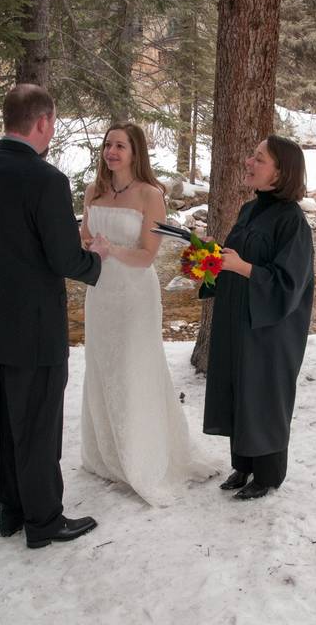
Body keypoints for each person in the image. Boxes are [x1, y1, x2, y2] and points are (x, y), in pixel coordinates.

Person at [0, 84, 108, 549]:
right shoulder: (47, 180)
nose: (52, 131)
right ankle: (44, 521)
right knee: (38, 426)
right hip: (36, 328)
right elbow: (64, 257)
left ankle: (11, 512)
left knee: (2, 422)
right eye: (53, 123)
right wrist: (95, 257)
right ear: (42, 123)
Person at [79, 122, 216, 506]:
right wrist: (93, 248)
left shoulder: (150, 194)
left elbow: (146, 255)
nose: (112, 152)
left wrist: (111, 250)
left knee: (133, 368)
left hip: (134, 293)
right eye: (108, 145)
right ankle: (108, 453)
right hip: (100, 292)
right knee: (103, 367)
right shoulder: (94, 191)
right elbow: (85, 238)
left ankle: (142, 457)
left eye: (120, 145)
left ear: (135, 152)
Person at [201, 135, 314, 500]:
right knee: (239, 387)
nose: (249, 162)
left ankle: (267, 475)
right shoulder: (250, 210)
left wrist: (242, 266)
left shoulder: (293, 222)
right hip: (239, 318)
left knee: (263, 394)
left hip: (270, 328)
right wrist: (210, 256)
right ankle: (244, 465)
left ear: (281, 173)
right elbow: (237, 256)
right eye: (252, 155)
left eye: (258, 159)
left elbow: (289, 283)